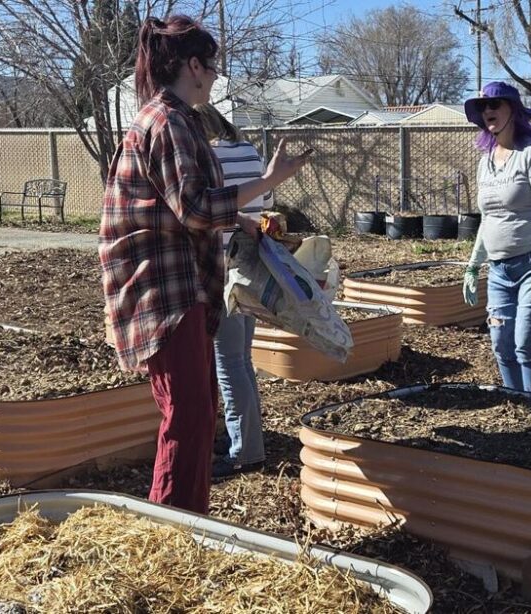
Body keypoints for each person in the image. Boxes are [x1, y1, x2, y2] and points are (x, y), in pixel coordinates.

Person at [99, 15, 310, 513]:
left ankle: (190, 521)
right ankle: (172, 524)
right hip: (162, 290)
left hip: (179, 284)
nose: (215, 77)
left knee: (196, 410)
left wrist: (242, 217)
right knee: (188, 413)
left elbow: (182, 205)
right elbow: (193, 208)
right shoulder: (166, 122)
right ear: (193, 65)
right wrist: (269, 179)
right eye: (212, 67)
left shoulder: (174, 119)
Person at [460, 81, 531, 394]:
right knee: (501, 344)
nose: (488, 112)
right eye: (483, 107)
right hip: (500, 270)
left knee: (526, 344)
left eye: (495, 105)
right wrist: (473, 266)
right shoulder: (485, 161)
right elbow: (489, 219)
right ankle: (518, 405)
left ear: (513, 109)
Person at [191, 103, 270, 480]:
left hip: (220, 269)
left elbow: (200, 210)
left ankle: (246, 451)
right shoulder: (250, 153)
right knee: (242, 358)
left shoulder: (208, 157)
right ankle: (248, 437)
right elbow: (265, 204)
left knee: (228, 362)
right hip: (250, 266)